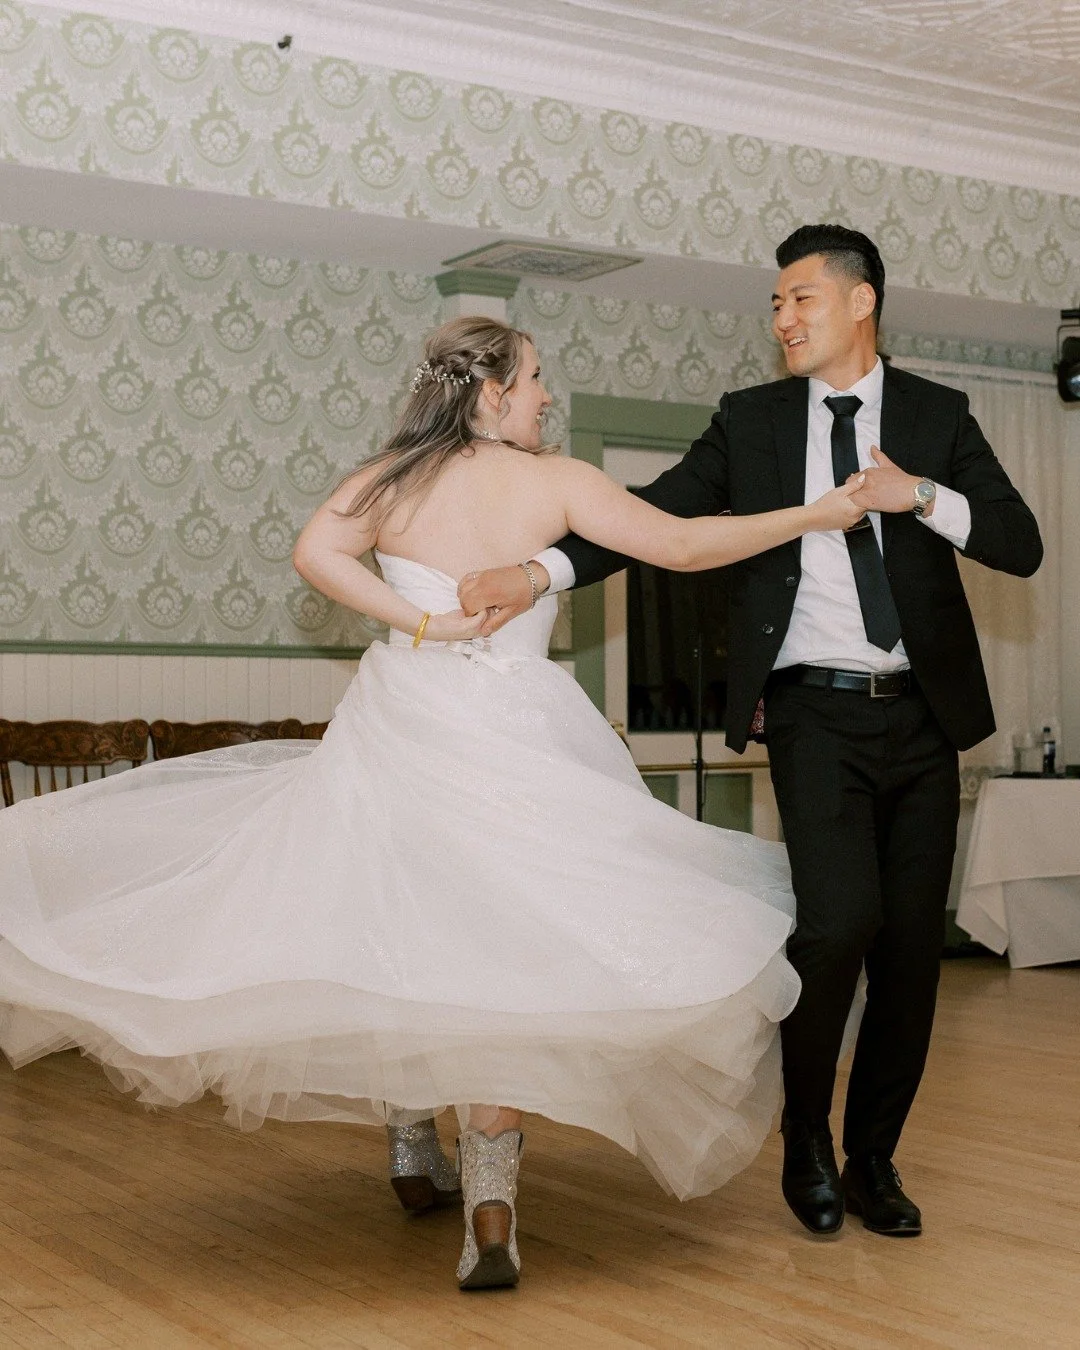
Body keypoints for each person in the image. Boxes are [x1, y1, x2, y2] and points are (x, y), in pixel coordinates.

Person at [0, 315, 862, 1290]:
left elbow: (315, 553)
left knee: (398, 921)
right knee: (508, 952)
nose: (546, 396)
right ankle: (491, 1207)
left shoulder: (395, 476)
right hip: (522, 735)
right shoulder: (556, 482)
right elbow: (686, 545)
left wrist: (421, 624)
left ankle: (413, 1142)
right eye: (535, 378)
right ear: (493, 392)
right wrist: (814, 513)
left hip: (408, 718)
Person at [459, 227, 1043, 1241]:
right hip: (813, 712)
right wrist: (537, 573)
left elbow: (1019, 543)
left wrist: (919, 496)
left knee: (912, 953)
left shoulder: (938, 415)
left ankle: (873, 1161)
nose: (782, 319)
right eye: (775, 303)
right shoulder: (754, 422)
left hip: (923, 716)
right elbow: (649, 518)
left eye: (801, 298)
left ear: (861, 302)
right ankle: (806, 1137)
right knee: (837, 923)